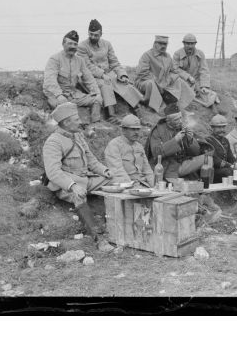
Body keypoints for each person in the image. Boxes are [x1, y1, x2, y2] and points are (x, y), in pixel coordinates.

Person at [42, 102, 113, 251]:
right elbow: (53, 172)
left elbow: (91, 159)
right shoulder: (53, 142)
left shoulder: (78, 135)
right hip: (65, 184)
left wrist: (104, 171)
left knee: (114, 181)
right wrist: (72, 186)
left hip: (85, 179)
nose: (80, 122)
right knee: (78, 197)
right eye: (76, 120)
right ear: (66, 122)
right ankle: (99, 239)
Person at [77, 19, 144, 121]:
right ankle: (111, 115)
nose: (93, 37)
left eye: (96, 35)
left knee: (124, 83)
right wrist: (102, 75)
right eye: (91, 34)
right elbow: (87, 66)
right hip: (91, 77)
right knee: (105, 84)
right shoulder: (82, 46)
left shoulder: (107, 44)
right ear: (88, 33)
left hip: (109, 73)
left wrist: (122, 75)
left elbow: (114, 62)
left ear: (101, 34)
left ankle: (139, 112)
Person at [43, 30, 103, 132]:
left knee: (97, 99)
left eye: (75, 44)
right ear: (63, 44)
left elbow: (89, 79)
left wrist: (97, 92)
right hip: (55, 94)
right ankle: (69, 127)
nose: (73, 47)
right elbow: (50, 80)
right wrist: (59, 95)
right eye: (69, 43)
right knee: (66, 108)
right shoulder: (54, 59)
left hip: (73, 94)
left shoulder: (80, 60)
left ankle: (95, 124)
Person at [134, 35, 195, 113]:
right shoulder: (147, 55)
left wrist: (187, 77)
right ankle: (157, 109)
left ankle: (181, 107)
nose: (163, 46)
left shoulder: (168, 56)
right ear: (154, 43)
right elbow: (142, 73)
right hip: (145, 82)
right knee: (151, 84)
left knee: (179, 81)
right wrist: (158, 82)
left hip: (162, 83)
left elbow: (174, 70)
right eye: (160, 43)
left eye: (165, 44)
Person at [145, 103, 204, 182]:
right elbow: (156, 153)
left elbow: (196, 152)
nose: (180, 121)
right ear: (168, 121)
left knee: (208, 158)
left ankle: (207, 188)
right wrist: (175, 140)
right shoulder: (157, 131)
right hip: (167, 168)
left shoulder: (182, 128)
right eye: (176, 119)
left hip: (181, 164)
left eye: (180, 118)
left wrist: (190, 140)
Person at [104, 114, 154, 187]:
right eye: (133, 129)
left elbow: (147, 170)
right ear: (124, 130)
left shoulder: (139, 146)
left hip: (142, 184)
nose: (136, 132)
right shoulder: (114, 145)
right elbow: (118, 172)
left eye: (138, 129)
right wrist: (133, 186)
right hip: (124, 185)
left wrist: (155, 187)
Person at [172, 33, 220, 108]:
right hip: (182, 81)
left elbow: (204, 70)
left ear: (195, 44)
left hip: (196, 81)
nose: (190, 46)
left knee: (206, 96)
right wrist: (188, 76)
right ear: (183, 43)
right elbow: (175, 69)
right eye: (187, 44)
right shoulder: (177, 54)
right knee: (182, 97)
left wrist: (204, 86)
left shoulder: (200, 54)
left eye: (192, 44)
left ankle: (208, 98)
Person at [204, 114, 235, 183]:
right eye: (219, 127)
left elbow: (231, 157)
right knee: (229, 172)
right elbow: (215, 160)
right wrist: (230, 165)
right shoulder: (208, 141)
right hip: (213, 170)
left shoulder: (225, 140)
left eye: (223, 127)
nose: (222, 130)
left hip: (225, 169)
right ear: (212, 128)